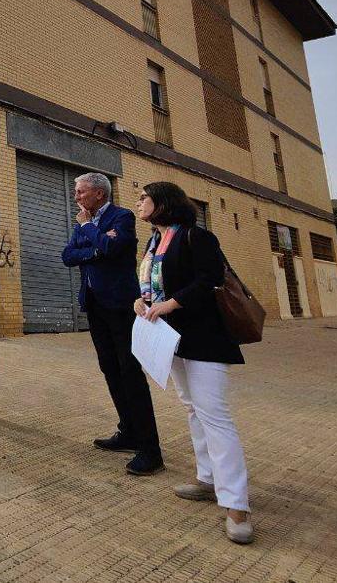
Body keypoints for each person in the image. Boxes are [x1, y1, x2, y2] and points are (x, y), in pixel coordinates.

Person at [134, 181, 253, 544]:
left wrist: (170, 304)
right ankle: (207, 479)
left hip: (204, 338)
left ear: (162, 203)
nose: (138, 202)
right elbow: (150, 284)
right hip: (170, 339)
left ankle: (237, 505)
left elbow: (210, 280)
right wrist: (140, 302)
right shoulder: (154, 241)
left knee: (213, 414)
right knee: (191, 408)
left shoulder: (196, 237)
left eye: (144, 198)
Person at [61, 172, 164, 476]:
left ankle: (150, 449)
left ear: (99, 194)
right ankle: (128, 431)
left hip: (121, 305)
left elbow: (113, 250)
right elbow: (68, 255)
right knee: (109, 368)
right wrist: (96, 245)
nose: (76, 197)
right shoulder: (86, 222)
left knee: (129, 372)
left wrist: (90, 232)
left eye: (81, 192)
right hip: (94, 305)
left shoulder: (122, 217)